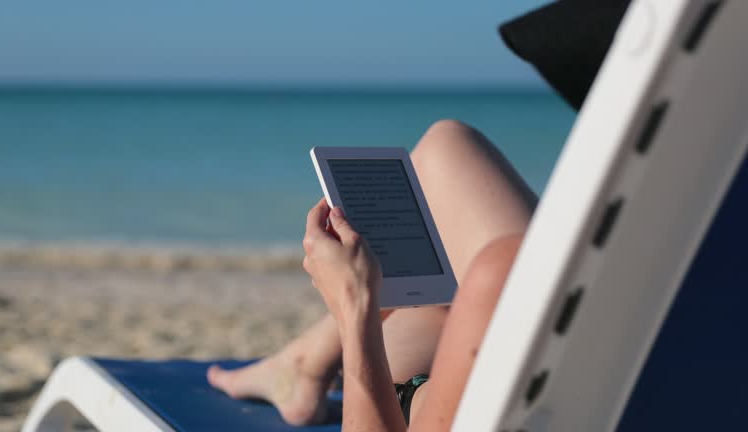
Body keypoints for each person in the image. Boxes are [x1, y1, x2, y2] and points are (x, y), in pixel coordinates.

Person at [207, 1, 631, 429]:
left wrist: (353, 307)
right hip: (592, 348)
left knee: (430, 295)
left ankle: (303, 363)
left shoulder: (508, 274)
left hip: (425, 401)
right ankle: (304, 361)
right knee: (446, 147)